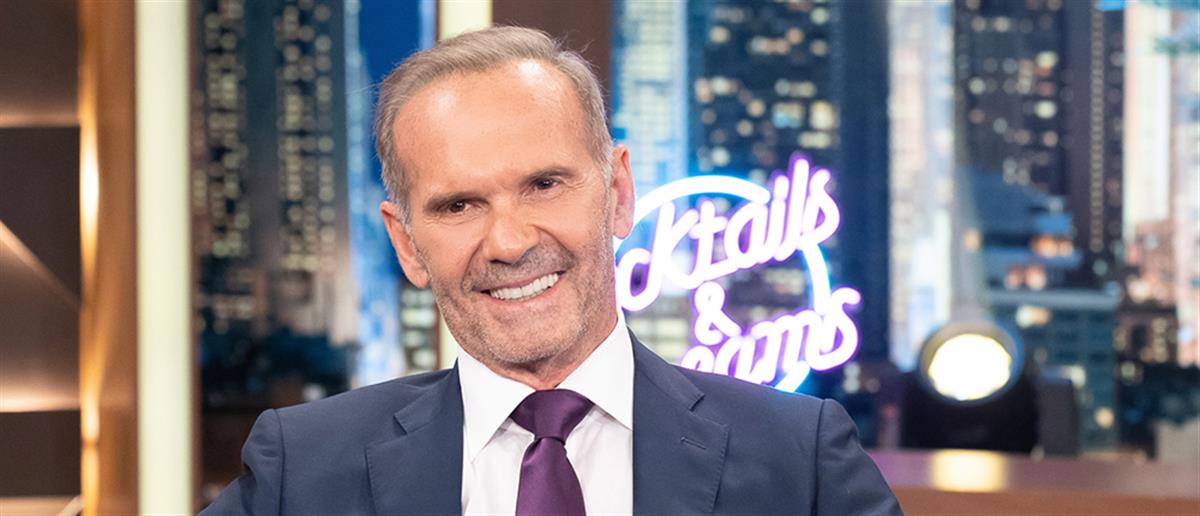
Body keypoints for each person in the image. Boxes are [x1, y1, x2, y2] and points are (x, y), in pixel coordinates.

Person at [202, 26, 901, 516]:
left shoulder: (798, 459)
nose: (508, 242)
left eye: (544, 185)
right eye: (458, 205)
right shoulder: (303, 469)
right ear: (407, 243)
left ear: (618, 193)